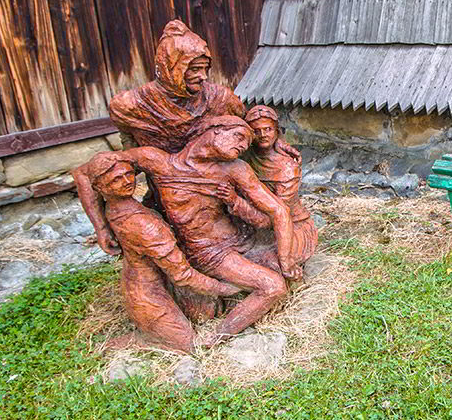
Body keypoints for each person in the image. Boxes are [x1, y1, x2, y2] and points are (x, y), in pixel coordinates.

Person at [78, 116, 299, 346]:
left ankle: (222, 326)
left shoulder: (236, 169)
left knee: (286, 267)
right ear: (215, 131)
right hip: (210, 252)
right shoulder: (159, 162)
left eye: (246, 143)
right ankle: (215, 339)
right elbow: (86, 173)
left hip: (243, 237)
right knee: (272, 286)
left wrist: (286, 260)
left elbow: (278, 210)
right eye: (239, 137)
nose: (243, 146)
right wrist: (102, 227)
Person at [72, 152, 240, 353]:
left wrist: (101, 227)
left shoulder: (116, 207)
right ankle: (127, 342)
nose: (127, 181)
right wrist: (227, 288)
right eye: (116, 179)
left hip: (160, 280)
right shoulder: (143, 225)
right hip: (148, 296)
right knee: (187, 345)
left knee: (208, 311)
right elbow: (183, 276)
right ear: (99, 187)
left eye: (129, 174)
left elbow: (81, 173)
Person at [108, 20, 246, 153]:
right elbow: (131, 151)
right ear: (170, 68)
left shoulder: (220, 99)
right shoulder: (131, 105)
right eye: (195, 69)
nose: (203, 76)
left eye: (205, 69)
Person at [225, 105, 319, 277]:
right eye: (256, 130)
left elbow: (276, 218)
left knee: (264, 263)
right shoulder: (246, 156)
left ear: (276, 130)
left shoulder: (287, 168)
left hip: (288, 229)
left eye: (268, 129)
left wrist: (236, 203)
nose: (263, 135)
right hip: (250, 223)